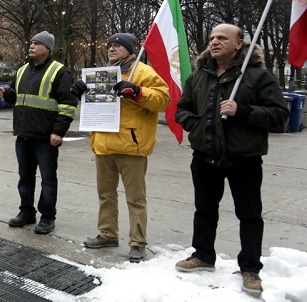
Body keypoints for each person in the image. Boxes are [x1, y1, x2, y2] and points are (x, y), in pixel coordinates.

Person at [174, 23, 288, 296]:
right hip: (205, 156)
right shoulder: (199, 77)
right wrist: (197, 125)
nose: (214, 42)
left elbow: (279, 115)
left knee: (248, 215)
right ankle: (203, 255)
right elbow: (182, 109)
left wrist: (244, 111)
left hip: (244, 160)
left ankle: (250, 268)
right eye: (212, 37)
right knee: (204, 210)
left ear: (239, 44)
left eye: (222, 38)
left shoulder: (258, 76)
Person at [70, 33, 171, 262]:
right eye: (110, 45)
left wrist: (138, 91)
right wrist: (80, 91)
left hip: (130, 146)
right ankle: (107, 234)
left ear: (129, 50)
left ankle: (137, 242)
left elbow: (163, 99)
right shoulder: (100, 75)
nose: (112, 49)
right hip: (103, 145)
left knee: (135, 198)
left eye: (118, 46)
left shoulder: (143, 72)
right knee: (105, 195)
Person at [0, 31, 77, 235]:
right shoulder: (22, 70)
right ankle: (27, 212)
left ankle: (47, 217)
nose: (31, 46)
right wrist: (5, 94)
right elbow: (16, 98)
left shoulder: (60, 72)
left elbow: (68, 104)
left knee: (48, 179)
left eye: (36, 44)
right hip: (23, 135)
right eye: (30, 43)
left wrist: (58, 132)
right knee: (25, 177)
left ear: (47, 49)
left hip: (45, 137)